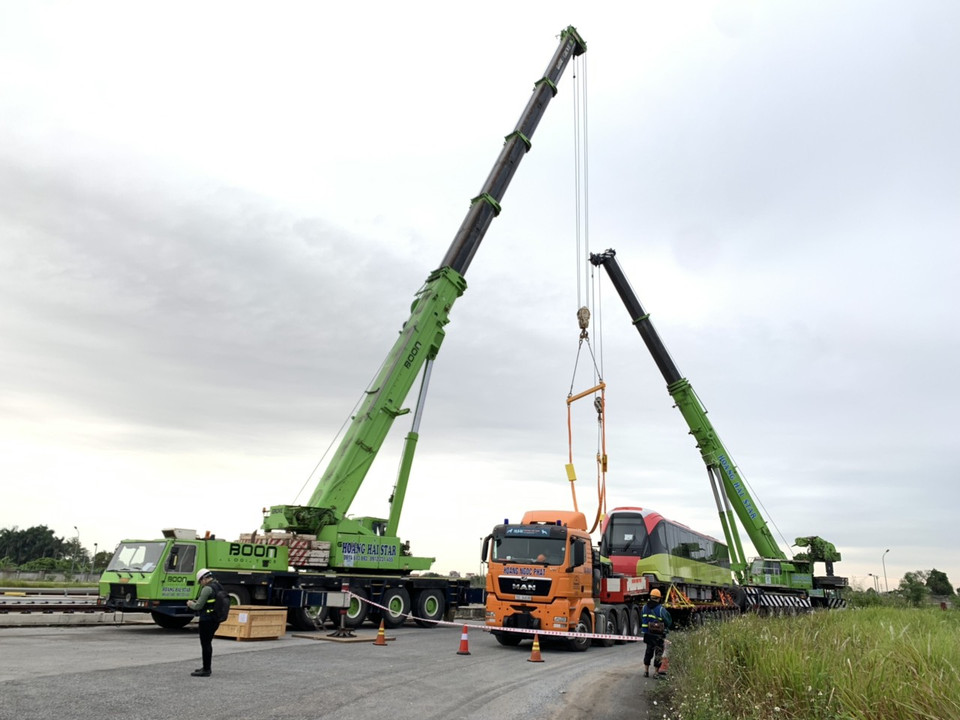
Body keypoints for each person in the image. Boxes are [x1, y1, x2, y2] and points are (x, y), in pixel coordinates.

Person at [186, 568, 222, 677]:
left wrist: (190, 604)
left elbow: (198, 606)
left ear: (204, 579)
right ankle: (206, 667)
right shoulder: (218, 586)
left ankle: (206, 669)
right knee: (208, 643)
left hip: (206, 619)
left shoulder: (207, 589)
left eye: (200, 581)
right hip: (215, 618)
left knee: (205, 644)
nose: (200, 584)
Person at [641, 588, 672, 678]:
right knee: (658, 653)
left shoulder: (644, 608)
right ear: (659, 598)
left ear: (651, 597)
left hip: (648, 634)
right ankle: (656, 673)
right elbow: (668, 621)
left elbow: (643, 619)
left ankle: (646, 671)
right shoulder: (661, 609)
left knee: (648, 652)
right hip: (658, 635)